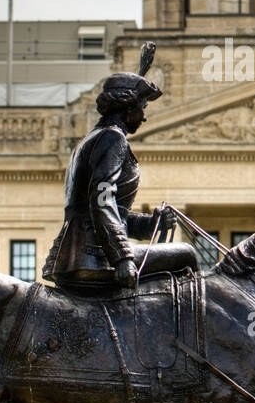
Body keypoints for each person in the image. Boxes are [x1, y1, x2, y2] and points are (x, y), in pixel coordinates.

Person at [42, 41, 198, 290]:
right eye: (142, 107)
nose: (144, 116)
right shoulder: (112, 139)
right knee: (186, 256)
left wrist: (150, 224)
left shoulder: (92, 139)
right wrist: (123, 257)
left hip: (80, 254)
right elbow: (101, 203)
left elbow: (111, 211)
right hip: (94, 256)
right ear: (128, 108)